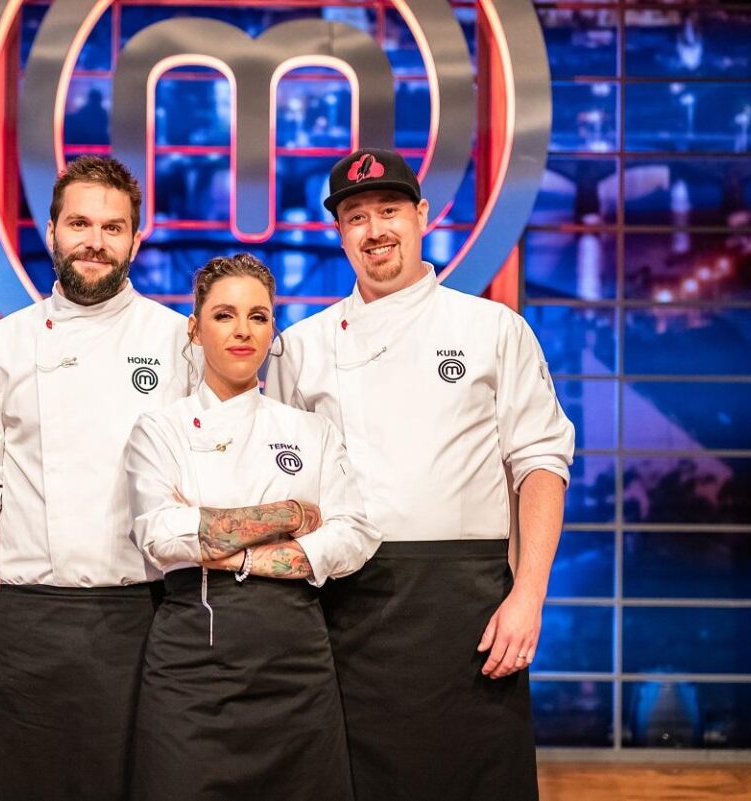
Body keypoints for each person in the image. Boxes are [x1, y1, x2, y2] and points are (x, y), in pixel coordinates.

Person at [265, 148, 576, 801]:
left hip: (468, 604)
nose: (374, 229)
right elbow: (288, 487)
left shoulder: (493, 328)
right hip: (346, 607)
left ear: (422, 216)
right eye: (356, 217)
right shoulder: (303, 347)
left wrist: (528, 597)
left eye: (389, 211)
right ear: (339, 232)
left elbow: (541, 463)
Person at [0, 156, 191, 801]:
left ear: (136, 239)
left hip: (146, 619)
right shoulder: (4, 345)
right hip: (26, 623)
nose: (94, 241)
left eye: (112, 227)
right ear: (51, 231)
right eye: (79, 224)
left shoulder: (179, 343)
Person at [125, 253, 381, 800]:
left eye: (258, 316)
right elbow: (163, 534)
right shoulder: (160, 430)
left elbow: (354, 534)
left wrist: (232, 550)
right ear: (195, 330)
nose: (243, 330)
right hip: (191, 662)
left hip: (296, 664)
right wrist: (290, 515)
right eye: (224, 315)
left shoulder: (311, 431)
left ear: (272, 330)